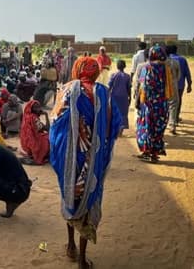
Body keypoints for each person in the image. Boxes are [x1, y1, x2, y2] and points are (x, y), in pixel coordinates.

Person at [49, 56, 121, 269]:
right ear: (96, 72)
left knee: (70, 196)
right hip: (93, 160)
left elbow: (54, 125)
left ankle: (70, 245)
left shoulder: (65, 91)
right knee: (88, 202)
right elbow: (114, 125)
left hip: (70, 160)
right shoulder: (103, 93)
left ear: (77, 69)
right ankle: (81, 259)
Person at [135, 45, 173, 162]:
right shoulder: (166, 69)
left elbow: (143, 87)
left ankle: (147, 151)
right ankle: (154, 154)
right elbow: (169, 87)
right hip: (162, 105)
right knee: (157, 130)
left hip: (149, 104)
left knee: (146, 128)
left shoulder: (147, 68)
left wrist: (138, 101)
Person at [168, 45, 192, 129]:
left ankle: (169, 118)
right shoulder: (182, 59)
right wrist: (189, 84)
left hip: (167, 86)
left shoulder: (165, 60)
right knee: (177, 101)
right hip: (179, 84)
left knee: (167, 101)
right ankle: (175, 118)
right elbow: (187, 72)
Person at [20, 100, 50, 165]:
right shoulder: (34, 118)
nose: (38, 109)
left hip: (25, 143)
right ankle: (41, 156)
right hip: (34, 143)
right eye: (35, 107)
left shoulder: (26, 117)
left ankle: (30, 155)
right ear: (31, 108)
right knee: (49, 137)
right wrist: (46, 115)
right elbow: (47, 128)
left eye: (38, 107)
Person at [108, 60, 132, 134]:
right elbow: (129, 88)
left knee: (114, 112)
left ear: (117, 66)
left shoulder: (113, 75)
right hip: (124, 97)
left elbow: (109, 86)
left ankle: (115, 128)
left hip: (114, 96)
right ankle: (121, 130)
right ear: (124, 66)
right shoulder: (127, 76)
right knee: (123, 113)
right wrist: (130, 97)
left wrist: (107, 96)